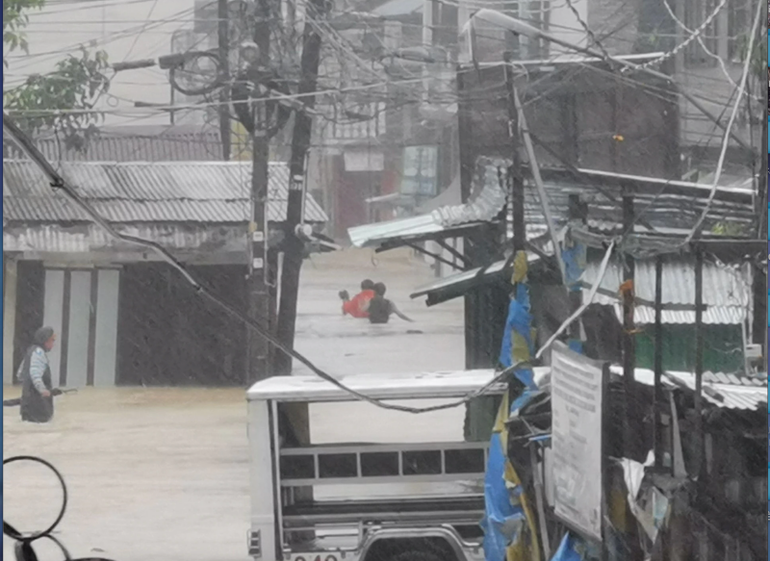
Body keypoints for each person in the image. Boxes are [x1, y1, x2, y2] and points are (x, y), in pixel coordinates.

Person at [18, 326, 56, 423]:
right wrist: (43, 390)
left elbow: (20, 374)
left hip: (27, 403)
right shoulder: (39, 353)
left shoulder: (31, 351)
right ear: (45, 340)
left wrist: (27, 390)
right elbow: (35, 374)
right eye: (52, 340)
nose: (53, 343)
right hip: (38, 405)